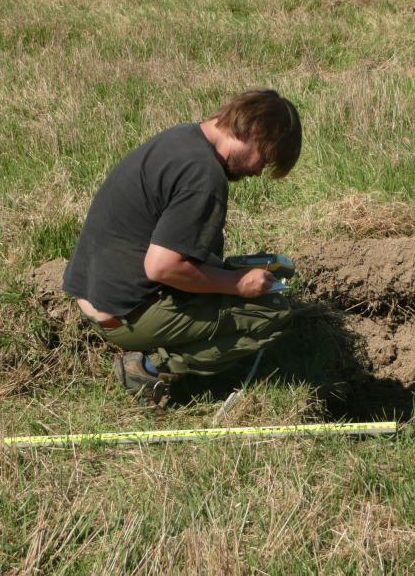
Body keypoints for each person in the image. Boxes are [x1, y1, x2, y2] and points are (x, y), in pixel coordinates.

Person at [62, 89, 302, 404]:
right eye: (264, 158)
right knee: (272, 314)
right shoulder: (203, 175)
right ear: (250, 132)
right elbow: (162, 266)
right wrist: (238, 283)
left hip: (99, 293)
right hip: (122, 314)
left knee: (231, 277)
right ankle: (146, 370)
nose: (258, 171)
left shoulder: (182, 138)